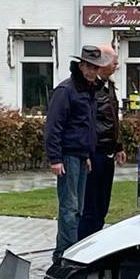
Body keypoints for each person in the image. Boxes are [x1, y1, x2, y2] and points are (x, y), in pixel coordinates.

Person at [44, 46, 101, 266]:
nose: (93, 71)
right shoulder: (66, 91)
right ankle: (66, 256)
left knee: (77, 208)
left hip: (78, 154)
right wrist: (55, 158)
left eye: (96, 67)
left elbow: (85, 127)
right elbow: (54, 126)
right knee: (69, 208)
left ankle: (63, 254)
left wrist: (86, 154)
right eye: (89, 66)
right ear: (81, 66)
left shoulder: (87, 90)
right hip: (67, 155)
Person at [79, 44, 126, 238]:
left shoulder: (109, 86)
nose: (116, 64)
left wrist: (118, 146)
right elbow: (87, 122)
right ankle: (84, 243)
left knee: (102, 203)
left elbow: (112, 117)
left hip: (107, 152)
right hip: (94, 152)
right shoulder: (89, 88)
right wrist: (86, 152)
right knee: (91, 204)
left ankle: (95, 240)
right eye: (113, 61)